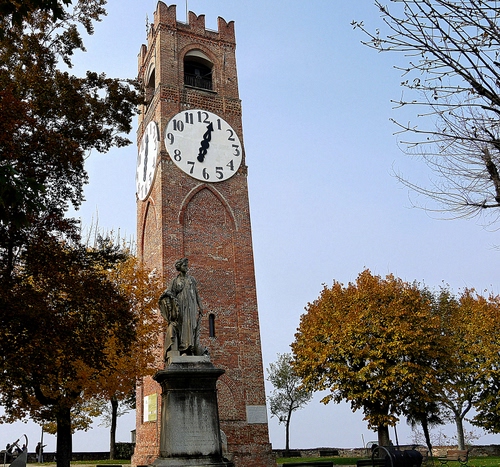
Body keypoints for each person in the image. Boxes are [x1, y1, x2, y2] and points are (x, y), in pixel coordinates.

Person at [159, 258, 205, 357]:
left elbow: (196, 293)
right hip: (180, 306)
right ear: (179, 267)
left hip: (191, 305)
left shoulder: (192, 279)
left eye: (187, 265)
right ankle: (183, 349)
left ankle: (191, 349)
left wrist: (200, 306)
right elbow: (169, 293)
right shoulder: (175, 281)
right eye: (184, 266)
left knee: (191, 325)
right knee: (183, 326)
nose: (186, 267)